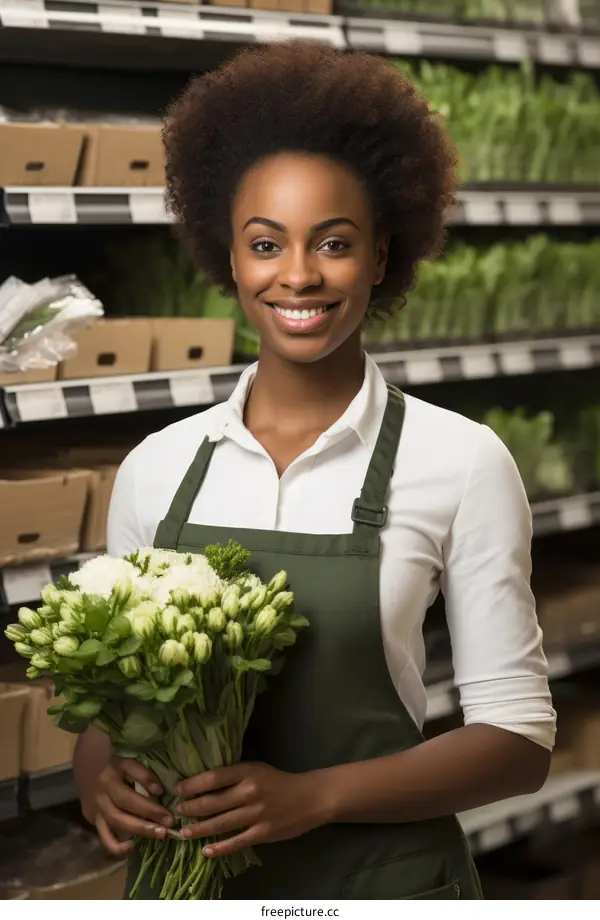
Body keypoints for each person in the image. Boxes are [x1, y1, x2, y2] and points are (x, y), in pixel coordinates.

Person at [74, 42, 555, 900]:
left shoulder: (460, 460)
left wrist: (316, 797)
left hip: (385, 883)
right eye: (266, 243)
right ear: (229, 257)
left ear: (379, 257)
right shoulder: (160, 467)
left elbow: (517, 742)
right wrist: (98, 772)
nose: (298, 274)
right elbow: (117, 709)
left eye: (333, 243)